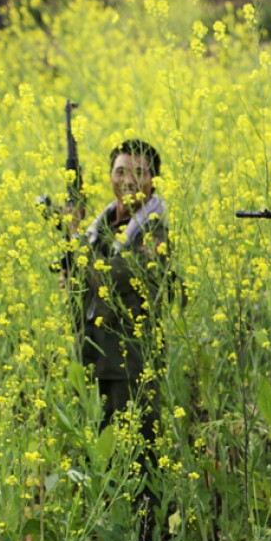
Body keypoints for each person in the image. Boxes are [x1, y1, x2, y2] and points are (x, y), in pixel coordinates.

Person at [77, 139, 171, 450]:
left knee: (136, 457)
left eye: (140, 172)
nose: (128, 180)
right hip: (92, 359)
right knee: (98, 456)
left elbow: (124, 272)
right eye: (120, 171)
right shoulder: (99, 226)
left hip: (131, 365)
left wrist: (77, 253)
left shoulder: (155, 228)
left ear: (152, 180)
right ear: (110, 176)